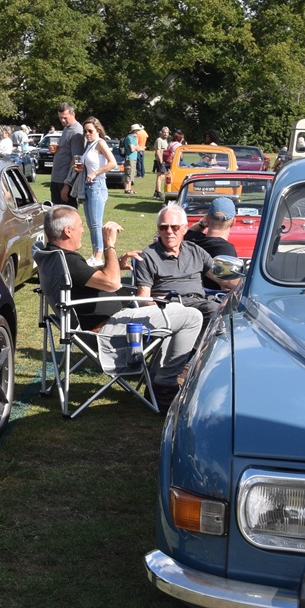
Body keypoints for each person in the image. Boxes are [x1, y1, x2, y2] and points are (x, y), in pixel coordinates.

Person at [42, 206, 202, 392]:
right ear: (68, 231)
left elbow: (84, 274)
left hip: (109, 324)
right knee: (192, 317)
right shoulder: (68, 260)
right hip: (109, 331)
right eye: (80, 226)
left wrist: (115, 264)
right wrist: (109, 245)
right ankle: (165, 382)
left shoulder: (54, 256)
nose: (83, 230)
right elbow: (112, 283)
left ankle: (157, 377)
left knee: (178, 313)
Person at [131, 203, 242, 330]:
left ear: (184, 229)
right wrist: (157, 302)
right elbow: (143, 299)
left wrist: (245, 284)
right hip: (169, 308)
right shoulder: (148, 256)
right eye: (163, 227)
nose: (169, 232)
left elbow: (224, 280)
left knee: (225, 313)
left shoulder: (195, 251)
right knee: (212, 310)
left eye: (175, 227)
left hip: (199, 304)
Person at [79, 117, 118, 255]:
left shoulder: (100, 143)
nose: (87, 134)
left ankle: (98, 255)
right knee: (91, 224)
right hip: (87, 186)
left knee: (96, 223)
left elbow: (113, 163)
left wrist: (95, 173)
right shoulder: (88, 145)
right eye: (85, 131)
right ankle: (95, 252)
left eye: (90, 131)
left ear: (98, 130)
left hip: (97, 186)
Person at [51, 102, 85, 206]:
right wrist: (55, 150)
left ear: (73, 114)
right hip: (56, 177)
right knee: (56, 212)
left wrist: (68, 185)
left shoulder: (77, 132)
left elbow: (78, 160)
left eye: (65, 117)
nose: (62, 120)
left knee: (67, 213)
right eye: (60, 117)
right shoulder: (66, 128)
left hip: (65, 181)